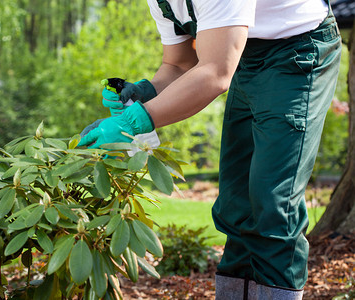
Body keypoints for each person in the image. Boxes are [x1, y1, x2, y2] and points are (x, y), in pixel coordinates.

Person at [79, 0, 342, 298]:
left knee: (272, 202)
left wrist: (134, 121)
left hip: (297, 49)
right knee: (236, 204)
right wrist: (144, 94)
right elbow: (179, 64)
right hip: (243, 52)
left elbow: (216, 73)